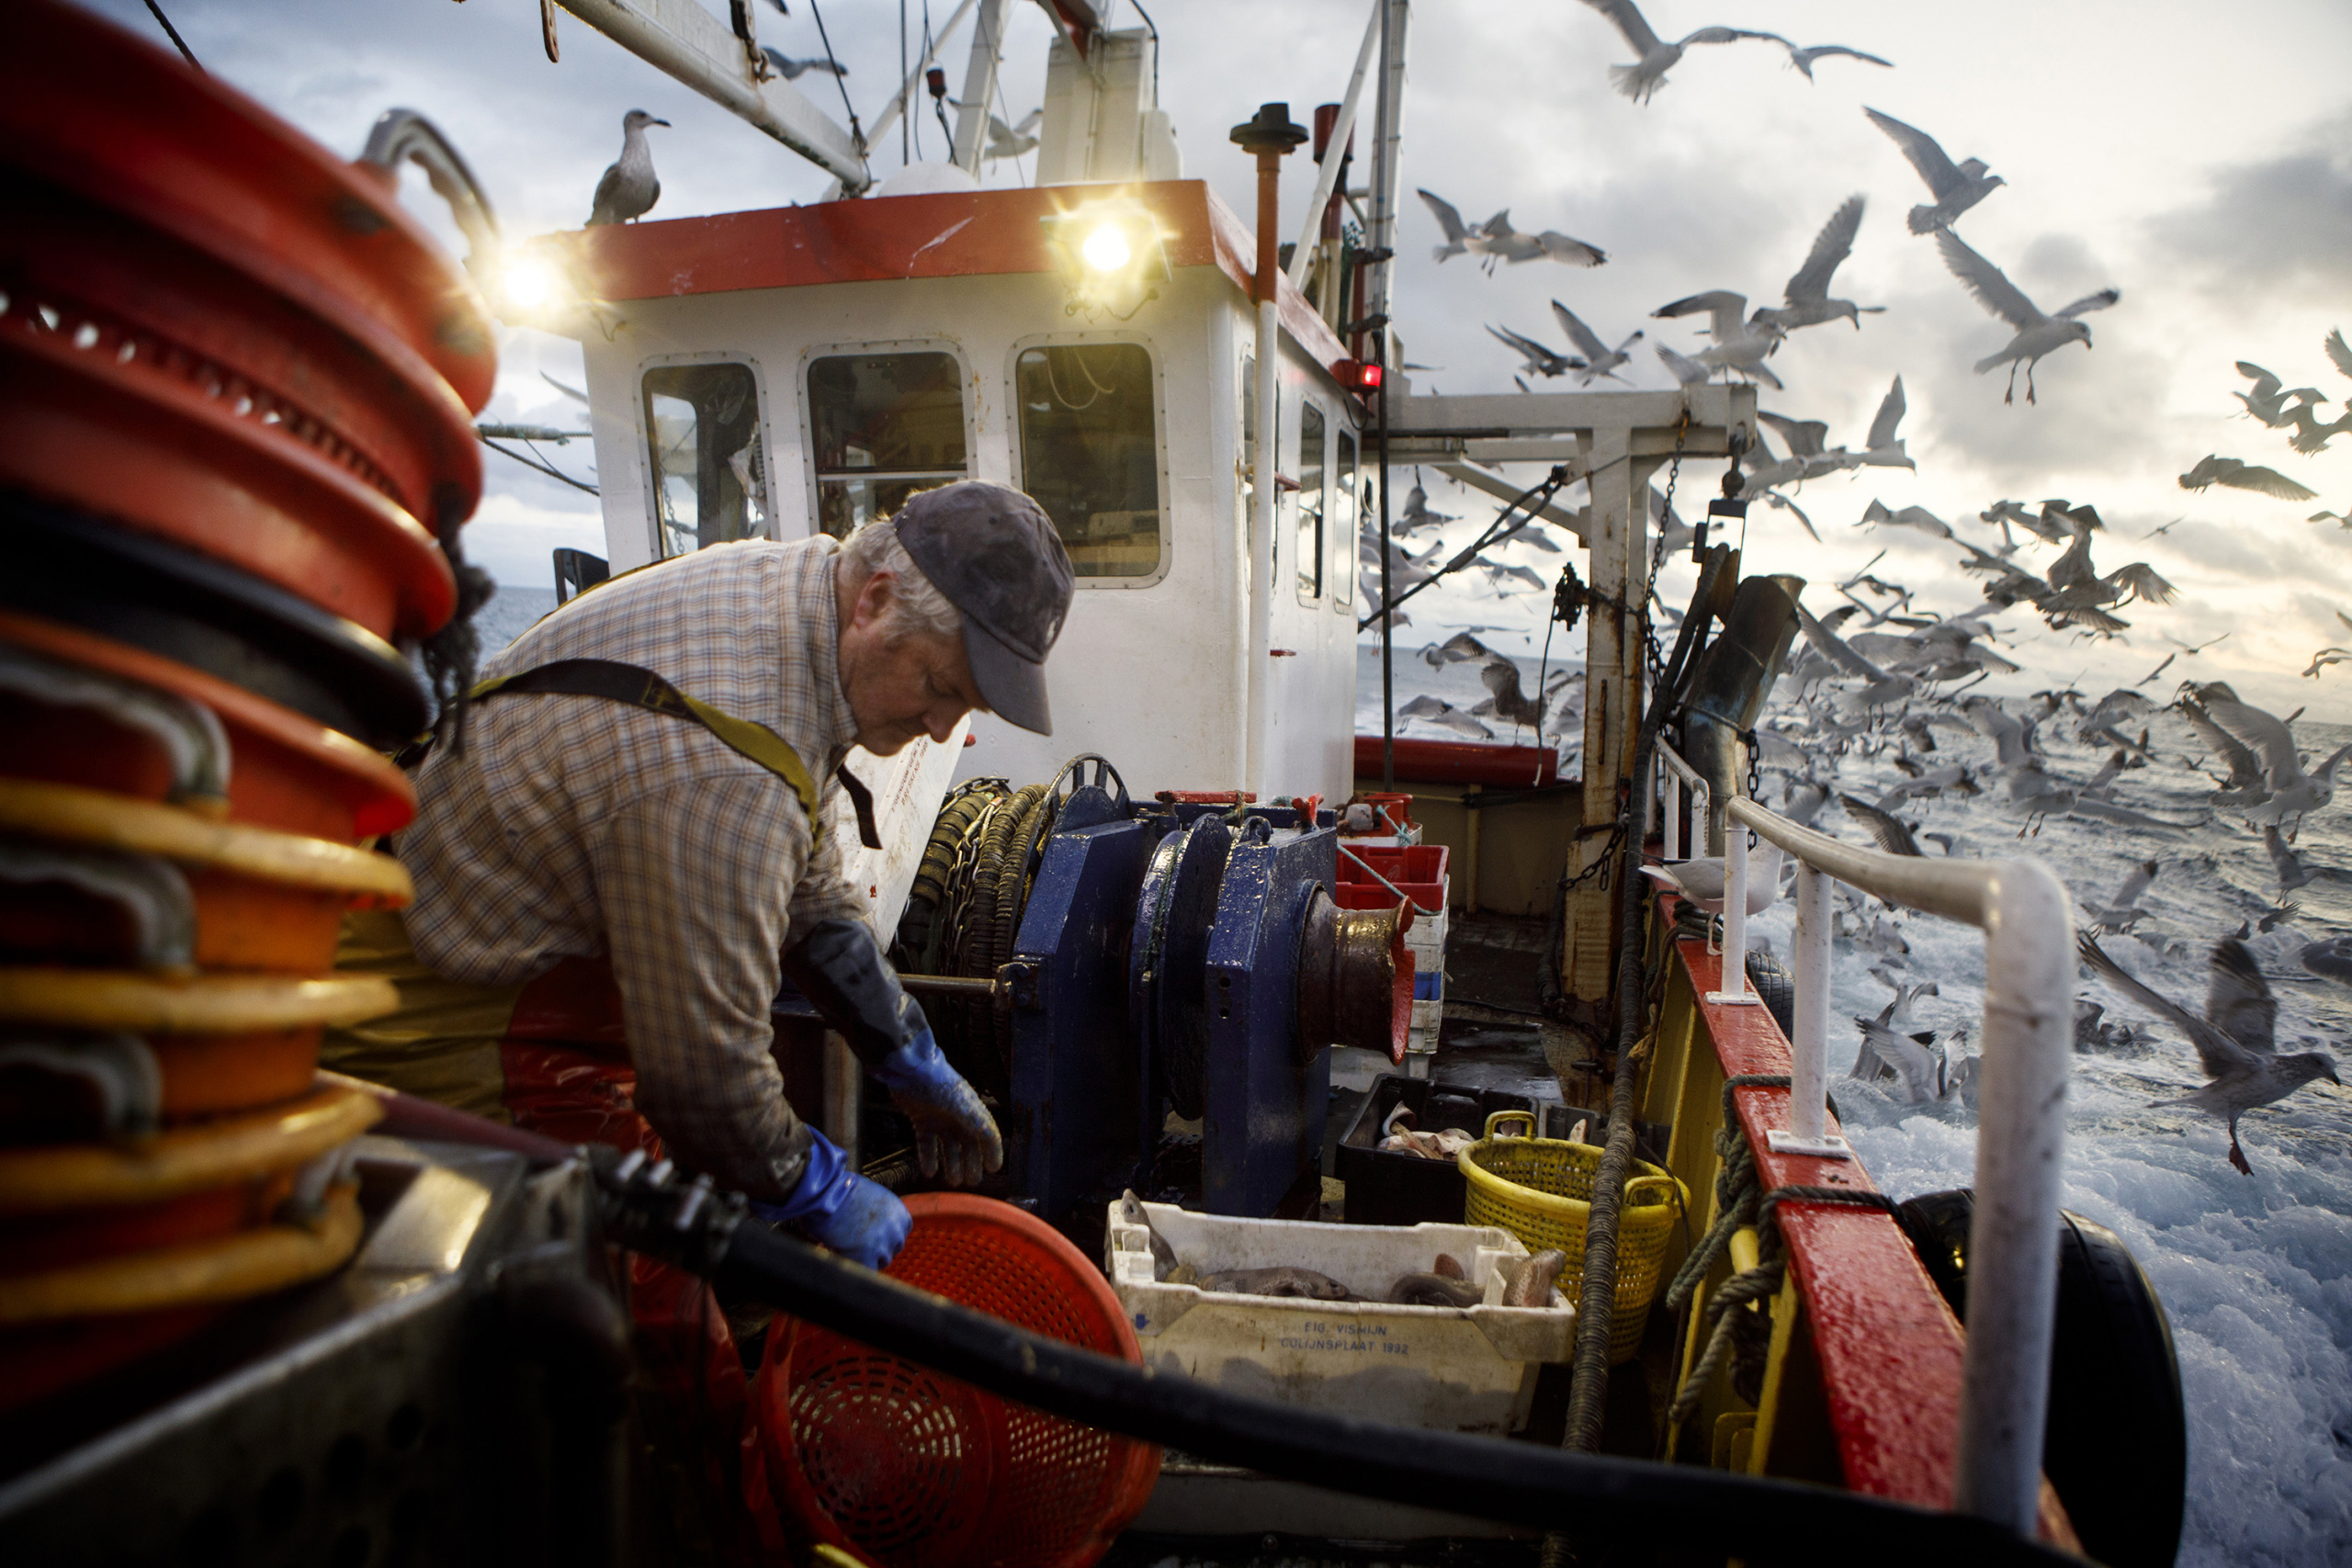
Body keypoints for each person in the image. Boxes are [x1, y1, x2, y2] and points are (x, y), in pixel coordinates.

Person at [324, 480, 1074, 1269]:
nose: (942, 729)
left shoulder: (793, 592)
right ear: (877, 601)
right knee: (644, 1318)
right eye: (941, 688)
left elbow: (803, 859)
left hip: (475, 917)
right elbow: (706, 1086)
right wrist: (819, 1189)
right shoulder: (724, 775)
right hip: (443, 1009)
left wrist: (900, 1044)